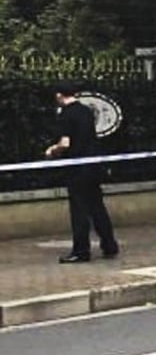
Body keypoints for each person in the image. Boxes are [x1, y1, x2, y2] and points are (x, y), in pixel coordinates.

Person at [45, 81, 119, 264]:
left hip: (76, 168)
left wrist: (51, 151)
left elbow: (65, 143)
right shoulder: (86, 111)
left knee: (79, 210)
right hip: (93, 165)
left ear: (59, 95)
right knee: (97, 207)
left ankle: (81, 251)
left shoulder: (66, 115)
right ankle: (109, 245)